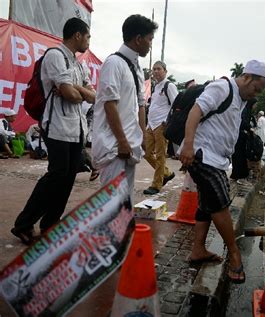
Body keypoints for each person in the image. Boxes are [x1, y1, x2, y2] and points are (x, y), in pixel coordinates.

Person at [179, 60, 265, 283]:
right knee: (220, 204)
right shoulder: (222, 88)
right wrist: (189, 146)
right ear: (247, 77)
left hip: (217, 159)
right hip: (203, 155)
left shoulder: (240, 98)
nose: (254, 94)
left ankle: (198, 249)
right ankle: (235, 255)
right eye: (255, 89)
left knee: (206, 204)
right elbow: (195, 111)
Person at [11, 18, 96, 244]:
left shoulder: (77, 64)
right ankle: (23, 224)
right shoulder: (55, 56)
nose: (88, 41)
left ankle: (50, 223)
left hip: (77, 129)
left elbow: (92, 94)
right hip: (57, 126)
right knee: (57, 174)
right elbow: (72, 95)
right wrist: (77, 91)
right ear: (77, 35)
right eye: (87, 36)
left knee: (68, 177)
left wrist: (76, 88)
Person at [91, 14, 158, 201]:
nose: (150, 44)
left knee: (124, 202)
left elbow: (141, 104)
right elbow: (109, 104)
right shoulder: (113, 63)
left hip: (130, 144)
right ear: (138, 39)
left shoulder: (136, 67)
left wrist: (142, 134)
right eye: (149, 39)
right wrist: (121, 141)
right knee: (112, 204)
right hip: (114, 146)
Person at [143, 61, 178, 195]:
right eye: (154, 69)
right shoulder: (155, 87)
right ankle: (166, 173)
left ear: (165, 71)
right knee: (146, 154)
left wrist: (167, 121)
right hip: (151, 125)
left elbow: (176, 106)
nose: (156, 71)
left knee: (160, 156)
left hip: (161, 125)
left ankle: (156, 185)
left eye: (159, 69)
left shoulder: (169, 86)